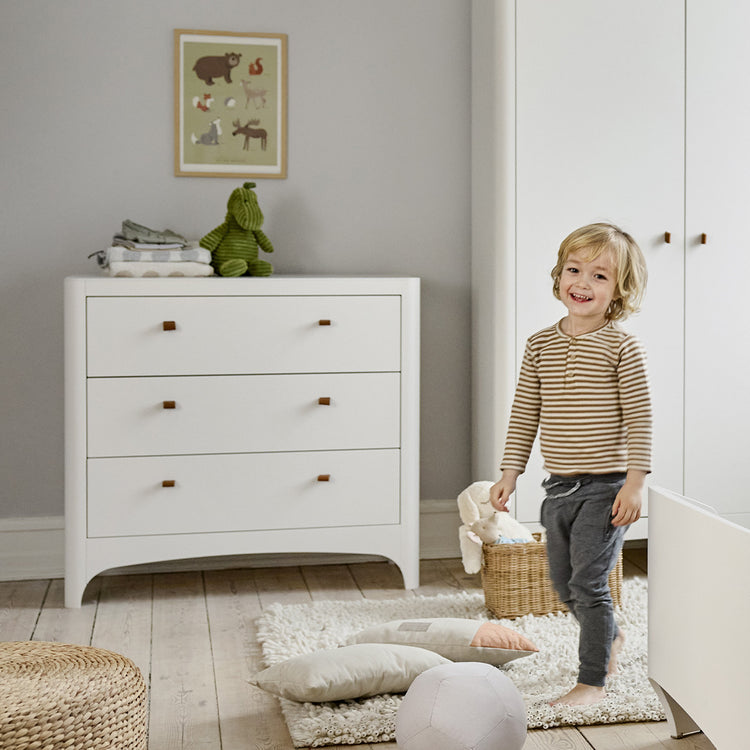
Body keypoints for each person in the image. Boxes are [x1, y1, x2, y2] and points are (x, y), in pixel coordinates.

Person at [489, 222, 651, 706]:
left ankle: (592, 682)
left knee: (588, 582)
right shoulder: (540, 344)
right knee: (562, 583)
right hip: (558, 487)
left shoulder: (622, 347)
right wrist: (510, 472)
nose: (582, 282)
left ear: (619, 291)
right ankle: (610, 635)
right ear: (559, 276)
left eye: (600, 276)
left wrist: (635, 485)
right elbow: (525, 412)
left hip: (607, 488)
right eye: (574, 270)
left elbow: (641, 419)